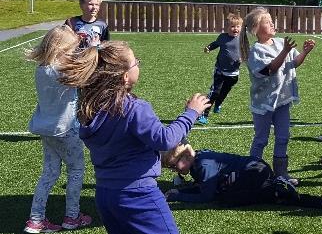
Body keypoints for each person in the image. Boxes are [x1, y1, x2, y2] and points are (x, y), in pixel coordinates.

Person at [57, 40, 210, 234]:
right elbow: (165, 139)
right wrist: (191, 113)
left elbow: (122, 142)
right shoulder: (134, 108)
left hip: (105, 195)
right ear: (125, 76)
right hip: (138, 195)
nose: (138, 63)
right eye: (136, 62)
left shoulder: (90, 109)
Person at [24, 26, 92, 233]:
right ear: (62, 49)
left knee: (49, 173)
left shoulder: (42, 68)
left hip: (46, 128)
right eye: (71, 49)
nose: (74, 52)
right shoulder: (64, 71)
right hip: (66, 129)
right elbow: (87, 70)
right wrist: (91, 47)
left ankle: (36, 219)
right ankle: (72, 216)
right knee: (76, 171)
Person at [241, 7, 316, 185]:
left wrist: (305, 52)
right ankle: (253, 173)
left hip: (282, 100)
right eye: (267, 22)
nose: (272, 23)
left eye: (271, 20)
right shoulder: (256, 51)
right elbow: (270, 69)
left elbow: (293, 63)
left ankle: (281, 174)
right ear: (256, 30)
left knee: (283, 137)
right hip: (263, 104)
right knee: (261, 139)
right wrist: (284, 51)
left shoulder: (281, 42)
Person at [162, 143, 322, 214]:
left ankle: (279, 187)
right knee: (277, 198)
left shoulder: (202, 165)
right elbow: (202, 187)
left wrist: (177, 195)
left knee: (224, 199)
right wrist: (179, 191)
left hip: (253, 173)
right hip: (255, 171)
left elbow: (206, 196)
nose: (172, 170)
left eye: (172, 166)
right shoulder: (199, 161)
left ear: (185, 158)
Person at [199, 12, 243, 125]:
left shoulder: (242, 39)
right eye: (232, 26)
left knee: (224, 92)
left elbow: (247, 51)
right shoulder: (223, 37)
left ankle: (218, 103)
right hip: (220, 71)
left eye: (238, 26)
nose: (235, 29)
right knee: (215, 92)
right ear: (227, 27)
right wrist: (208, 47)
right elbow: (215, 44)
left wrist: (243, 58)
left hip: (233, 74)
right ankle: (204, 115)